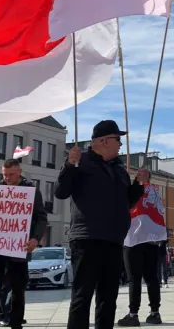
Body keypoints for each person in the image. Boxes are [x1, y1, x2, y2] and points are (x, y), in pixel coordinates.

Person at [55, 120, 146, 329]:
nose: (121, 145)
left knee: (108, 298)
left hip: (113, 240)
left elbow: (127, 202)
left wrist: (138, 185)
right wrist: (69, 165)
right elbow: (61, 192)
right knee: (82, 296)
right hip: (87, 238)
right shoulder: (81, 161)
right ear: (104, 141)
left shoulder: (120, 169)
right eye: (118, 140)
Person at [0, 158, 47, 329]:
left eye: (11, 174)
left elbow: (41, 218)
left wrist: (35, 238)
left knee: (18, 289)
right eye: (5, 175)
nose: (8, 178)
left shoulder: (32, 191)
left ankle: (16, 324)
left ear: (20, 172)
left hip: (21, 247)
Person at [118, 170, 166, 326]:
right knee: (152, 278)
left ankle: (133, 314)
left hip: (134, 237)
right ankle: (155, 312)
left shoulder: (136, 189)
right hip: (152, 239)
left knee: (134, 279)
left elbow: (126, 203)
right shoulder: (155, 191)